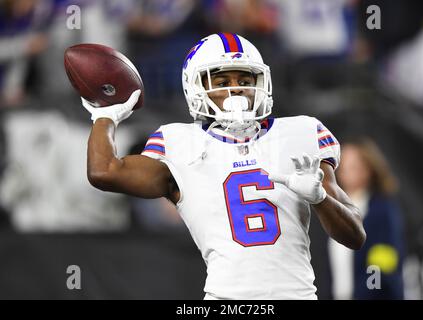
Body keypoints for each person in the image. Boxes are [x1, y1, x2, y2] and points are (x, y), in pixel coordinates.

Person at [81, 33, 366, 299]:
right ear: (196, 87)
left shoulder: (301, 133)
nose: (236, 90)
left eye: (245, 79)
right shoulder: (180, 142)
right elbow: (104, 171)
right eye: (221, 82)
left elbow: (354, 235)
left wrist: (320, 199)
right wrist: (105, 117)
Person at [330, 138, 404, 300]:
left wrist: (370, 293)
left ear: (368, 169)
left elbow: (381, 265)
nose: (346, 171)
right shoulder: (333, 210)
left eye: (354, 166)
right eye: (344, 166)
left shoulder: (381, 210)